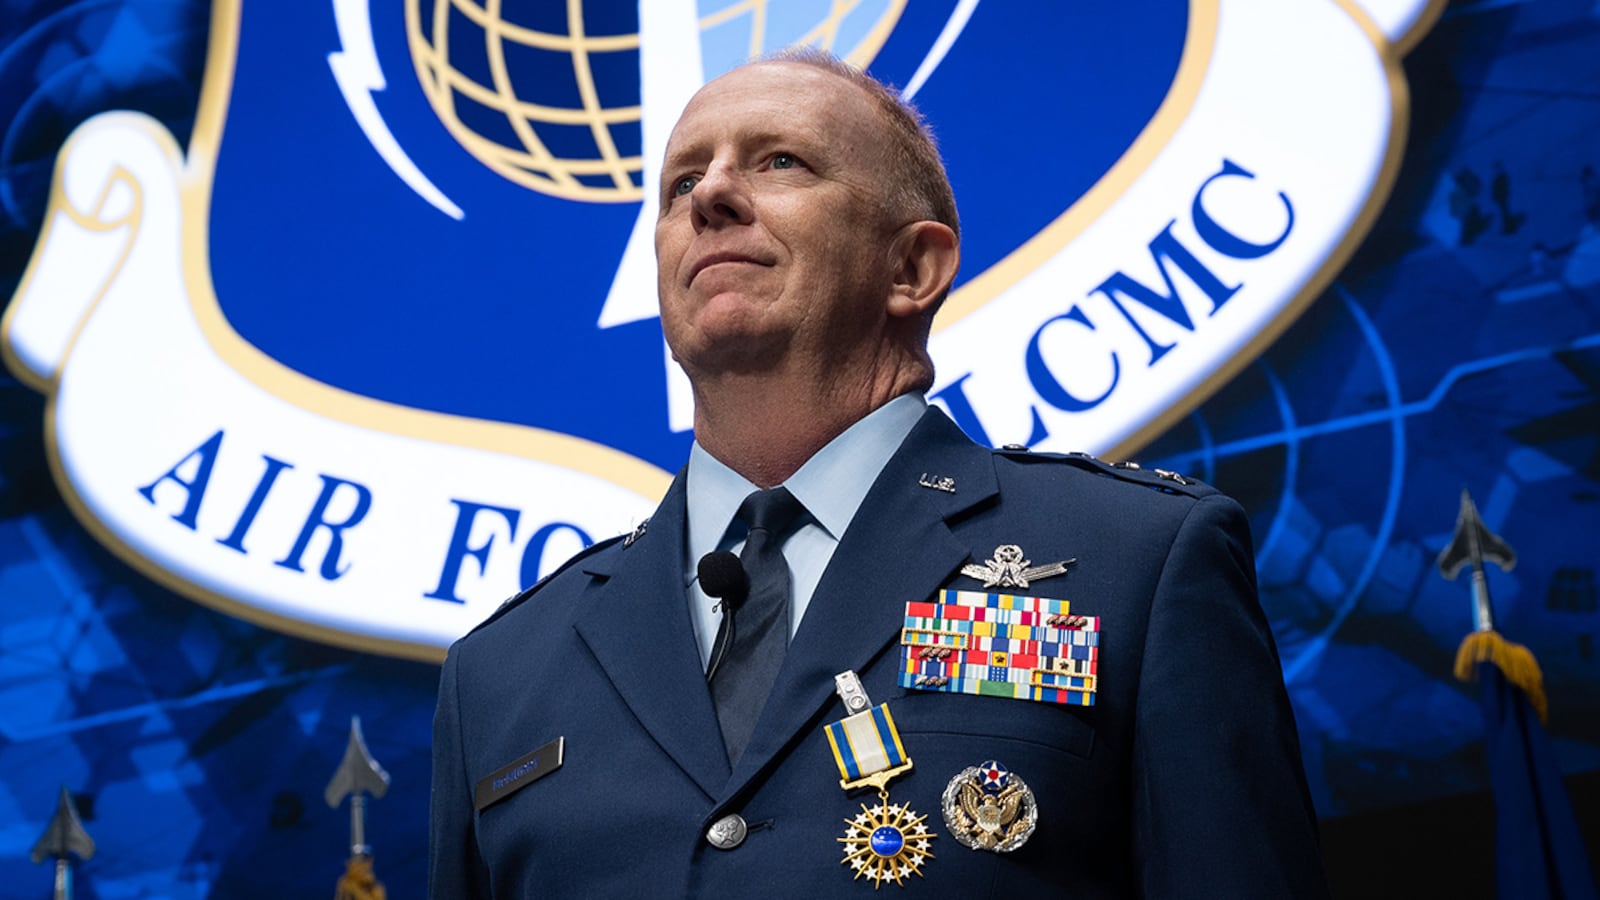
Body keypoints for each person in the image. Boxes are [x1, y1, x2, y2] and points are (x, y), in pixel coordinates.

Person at [429, 51, 1329, 898]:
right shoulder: (501, 674)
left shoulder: (1135, 561)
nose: (711, 197)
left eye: (779, 161)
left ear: (913, 267)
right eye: (680, 185)